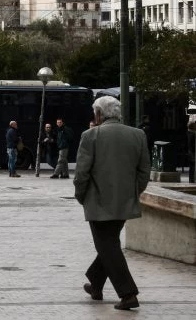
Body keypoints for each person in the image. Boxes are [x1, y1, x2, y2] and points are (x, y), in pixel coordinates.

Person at [74, 96, 149, 311]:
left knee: (106, 245)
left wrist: (81, 196)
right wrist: (133, 193)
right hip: (125, 202)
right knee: (109, 243)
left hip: (98, 202)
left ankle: (128, 294)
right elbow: (144, 172)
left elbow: (81, 174)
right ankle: (96, 284)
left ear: (98, 114)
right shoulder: (138, 135)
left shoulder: (90, 136)